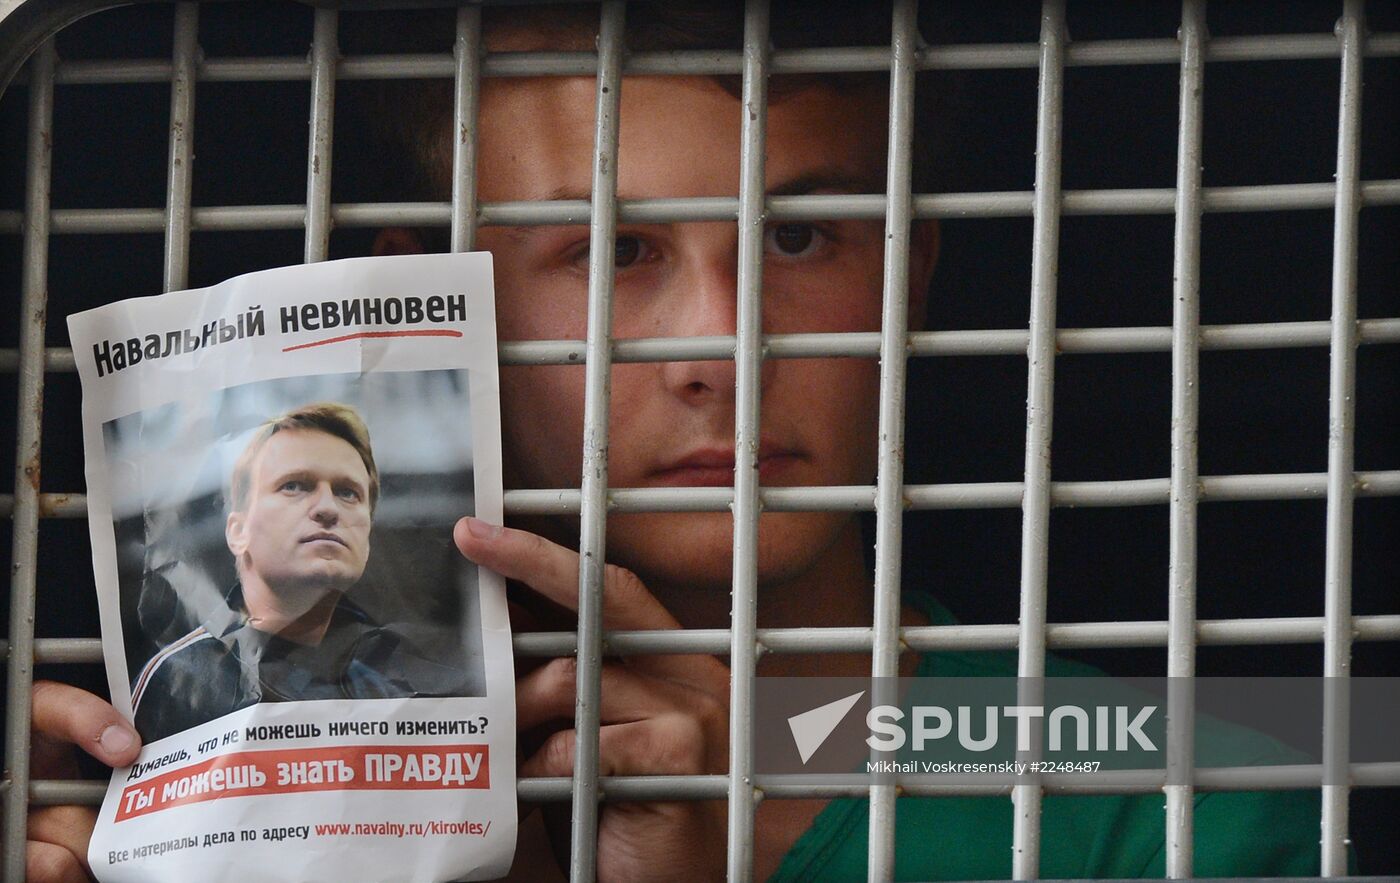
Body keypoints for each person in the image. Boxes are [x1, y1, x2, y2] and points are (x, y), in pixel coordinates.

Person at [22, 3, 1324, 881]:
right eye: (614, 252)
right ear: (427, 315)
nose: (723, 347)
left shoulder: (1188, 774)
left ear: (912, 274)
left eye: (800, 238)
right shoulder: (252, 786)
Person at [131, 402, 480, 741]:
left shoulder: (416, 670)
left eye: (347, 493)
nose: (328, 509)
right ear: (238, 531)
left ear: (368, 537)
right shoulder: (178, 678)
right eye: (294, 486)